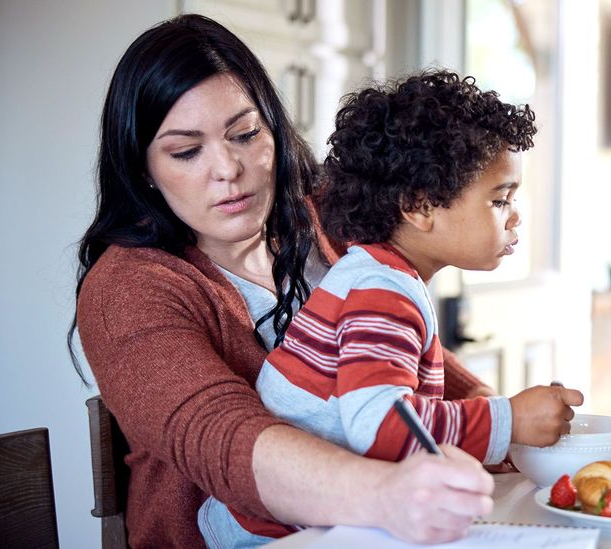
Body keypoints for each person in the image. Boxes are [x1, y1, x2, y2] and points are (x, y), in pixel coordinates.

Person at [70, 14, 536, 548]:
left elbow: (400, 350)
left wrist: (503, 425)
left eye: (245, 134)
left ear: (274, 127)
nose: (228, 169)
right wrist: (387, 492)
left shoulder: (328, 221)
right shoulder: (129, 288)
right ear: (144, 168)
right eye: (186, 151)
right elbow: (222, 436)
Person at [197, 70, 585, 547]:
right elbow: (383, 427)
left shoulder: (379, 274)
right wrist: (508, 421)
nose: (515, 215)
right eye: (499, 199)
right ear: (419, 206)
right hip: (278, 534)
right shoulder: (382, 294)